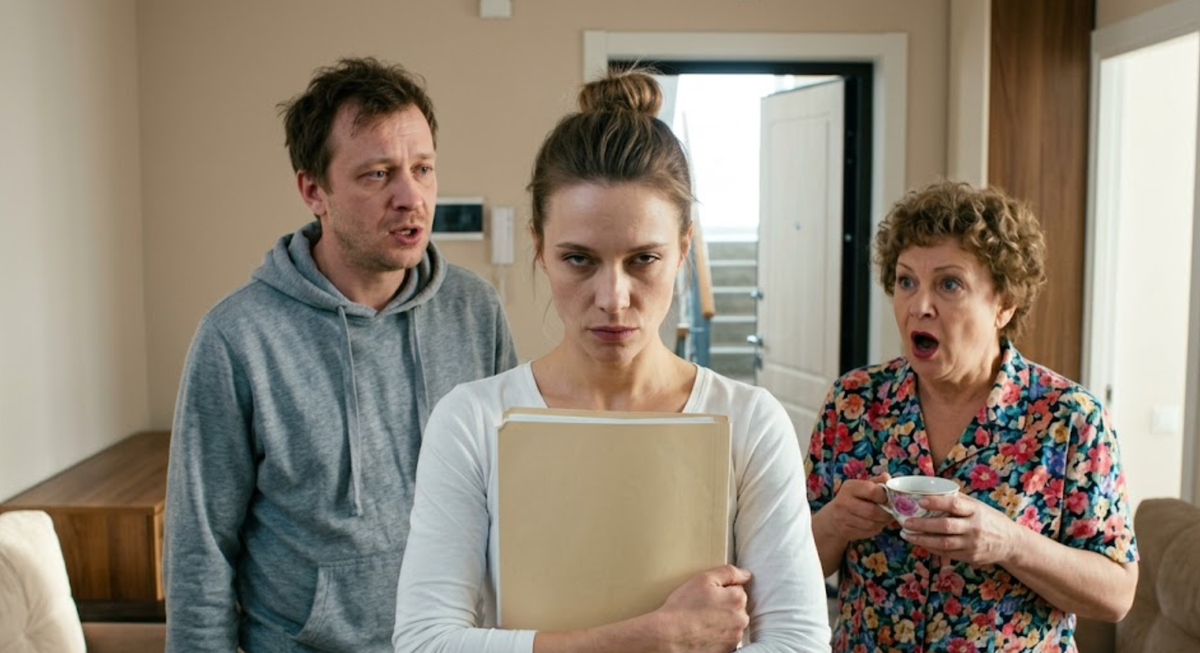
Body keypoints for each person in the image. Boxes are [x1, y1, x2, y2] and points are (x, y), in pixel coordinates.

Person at [392, 69, 832, 653]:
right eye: (579, 259)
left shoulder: (750, 421)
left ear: (684, 248)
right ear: (539, 248)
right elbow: (424, 642)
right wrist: (654, 637)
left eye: (643, 259)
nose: (613, 298)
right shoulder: (473, 420)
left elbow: (799, 643)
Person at [163, 57, 518, 653]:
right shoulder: (237, 337)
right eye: (378, 175)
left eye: (423, 169)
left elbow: (513, 496)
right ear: (314, 191)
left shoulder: (474, 310)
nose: (410, 197)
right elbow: (199, 548)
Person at [805, 180, 1139, 652]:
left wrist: (1009, 543)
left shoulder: (1070, 419)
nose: (919, 306)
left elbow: (1116, 595)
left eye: (949, 284)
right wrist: (837, 522)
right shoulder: (853, 402)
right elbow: (792, 565)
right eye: (906, 281)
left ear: (1004, 304)